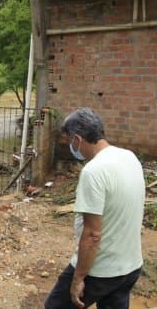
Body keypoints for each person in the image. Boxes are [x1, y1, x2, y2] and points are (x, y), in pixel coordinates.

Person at [45, 108, 145, 309]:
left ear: (78, 139)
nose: (72, 147)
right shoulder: (129, 157)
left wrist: (78, 278)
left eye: (70, 141)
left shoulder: (94, 171)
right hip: (130, 267)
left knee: (55, 306)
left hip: (101, 271)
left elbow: (92, 235)